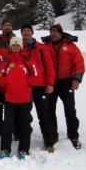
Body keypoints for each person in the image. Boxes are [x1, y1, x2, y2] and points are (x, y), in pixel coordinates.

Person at [42, 24, 85, 149]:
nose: (53, 34)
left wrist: (76, 79)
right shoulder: (45, 46)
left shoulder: (71, 46)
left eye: (55, 32)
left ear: (61, 34)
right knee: (50, 110)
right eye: (51, 32)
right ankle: (52, 135)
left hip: (67, 81)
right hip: (50, 82)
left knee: (70, 109)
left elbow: (79, 63)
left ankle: (73, 135)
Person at [0, 37, 37, 160]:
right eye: (13, 46)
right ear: (10, 48)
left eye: (17, 46)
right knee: (7, 125)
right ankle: (5, 149)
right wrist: (5, 82)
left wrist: (27, 81)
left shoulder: (28, 60)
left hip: (25, 99)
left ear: (21, 47)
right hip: (10, 99)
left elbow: (36, 75)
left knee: (24, 125)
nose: (15, 48)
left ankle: (24, 150)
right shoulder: (5, 61)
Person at [21, 24, 56, 152]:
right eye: (23, 31)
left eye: (28, 30)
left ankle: (49, 142)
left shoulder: (42, 48)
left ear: (32, 32)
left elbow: (49, 66)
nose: (26, 33)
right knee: (25, 115)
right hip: (26, 86)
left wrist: (50, 83)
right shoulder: (18, 47)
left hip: (41, 86)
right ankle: (23, 140)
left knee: (44, 114)